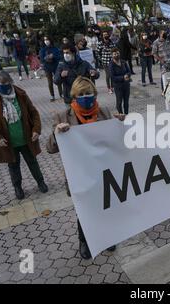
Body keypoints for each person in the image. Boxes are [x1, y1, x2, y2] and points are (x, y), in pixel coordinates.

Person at [46, 76, 124, 259]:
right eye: (81, 94)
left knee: (106, 206)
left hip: (104, 171)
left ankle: (107, 236)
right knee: (85, 210)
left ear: (95, 94)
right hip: (80, 174)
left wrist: (121, 125)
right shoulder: (63, 117)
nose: (85, 97)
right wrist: (57, 132)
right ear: (74, 96)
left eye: (88, 93)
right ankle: (85, 240)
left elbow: (118, 142)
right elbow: (50, 148)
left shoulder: (104, 112)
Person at [0, 70, 48, 200]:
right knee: (13, 166)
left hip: (26, 138)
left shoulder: (21, 94)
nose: (3, 85)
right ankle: (17, 187)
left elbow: (33, 113)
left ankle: (40, 182)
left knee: (32, 162)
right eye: (0, 83)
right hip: (8, 142)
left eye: (5, 82)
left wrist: (36, 130)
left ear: (11, 82)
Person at [40, 36, 63, 102]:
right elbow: (41, 58)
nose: (46, 41)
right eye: (45, 40)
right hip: (47, 67)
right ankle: (52, 96)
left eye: (47, 39)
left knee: (58, 80)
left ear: (50, 40)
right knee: (50, 82)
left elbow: (59, 56)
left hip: (55, 66)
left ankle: (61, 94)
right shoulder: (43, 49)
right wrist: (46, 58)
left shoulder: (55, 48)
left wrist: (53, 56)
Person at [109, 48, 131, 115]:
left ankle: (126, 114)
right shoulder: (111, 64)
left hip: (126, 85)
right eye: (115, 54)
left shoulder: (123, 62)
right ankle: (121, 115)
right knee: (119, 102)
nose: (116, 55)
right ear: (112, 55)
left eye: (118, 53)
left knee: (126, 101)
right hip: (118, 86)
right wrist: (122, 77)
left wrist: (127, 75)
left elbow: (129, 71)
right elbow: (112, 77)